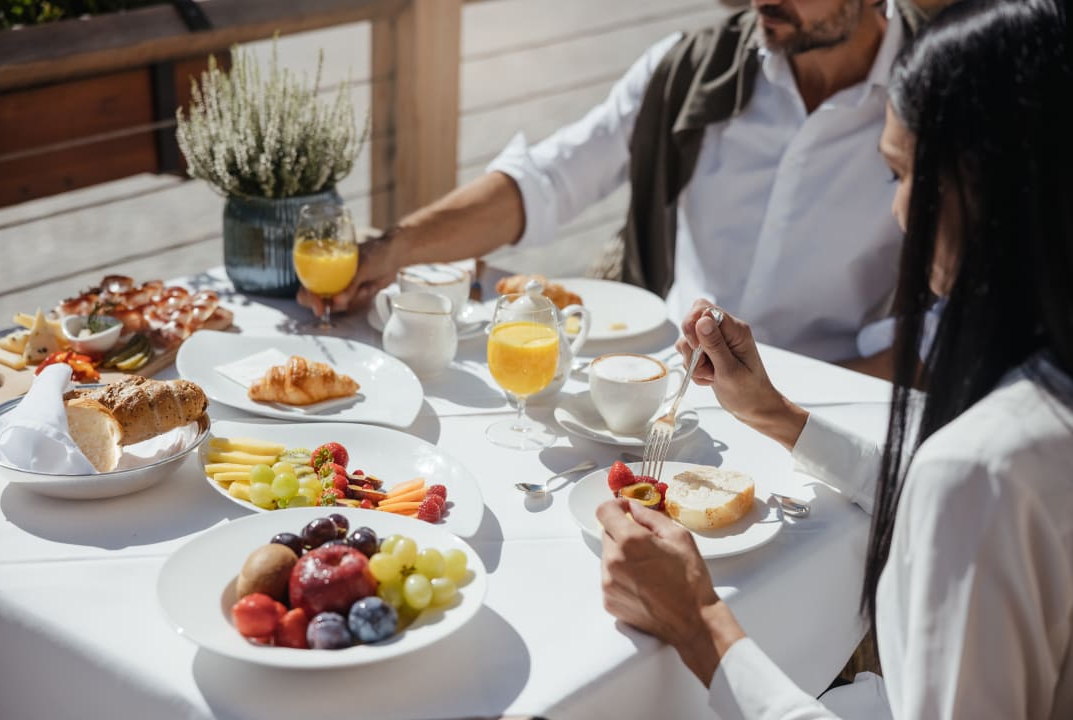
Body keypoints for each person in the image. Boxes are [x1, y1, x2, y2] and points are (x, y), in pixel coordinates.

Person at [597, 0, 1073, 717]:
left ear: (990, 188)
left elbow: (964, 489)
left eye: (902, 176)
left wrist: (698, 622)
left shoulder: (980, 471)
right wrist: (777, 416)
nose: (899, 215)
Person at [300, 1, 947, 371]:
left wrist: (804, 417)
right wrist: (390, 250)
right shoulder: (689, 67)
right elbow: (550, 179)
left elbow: (959, 317)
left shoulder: (949, 96)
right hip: (669, 389)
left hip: (840, 401)